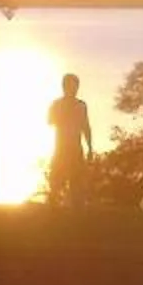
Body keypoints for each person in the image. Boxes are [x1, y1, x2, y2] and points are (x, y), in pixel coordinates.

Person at [46, 72, 95, 204]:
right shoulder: (57, 104)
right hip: (61, 145)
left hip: (76, 146)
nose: (72, 88)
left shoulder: (81, 105)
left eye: (74, 85)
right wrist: (64, 115)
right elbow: (50, 121)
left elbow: (86, 126)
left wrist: (90, 147)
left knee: (77, 181)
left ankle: (76, 213)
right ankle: (53, 208)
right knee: (56, 179)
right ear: (64, 86)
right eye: (68, 85)